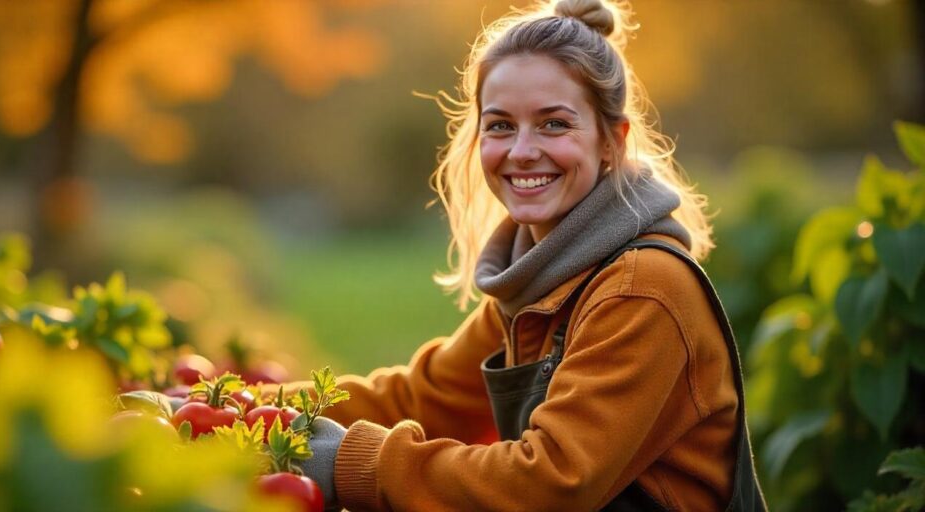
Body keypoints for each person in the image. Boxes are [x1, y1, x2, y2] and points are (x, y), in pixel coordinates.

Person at [276, 0, 768, 510]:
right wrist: (245, 410)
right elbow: (421, 401)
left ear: (611, 142)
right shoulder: (544, 276)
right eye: (500, 125)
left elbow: (550, 482)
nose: (522, 150)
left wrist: (347, 462)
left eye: (554, 124)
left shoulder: (640, 289)